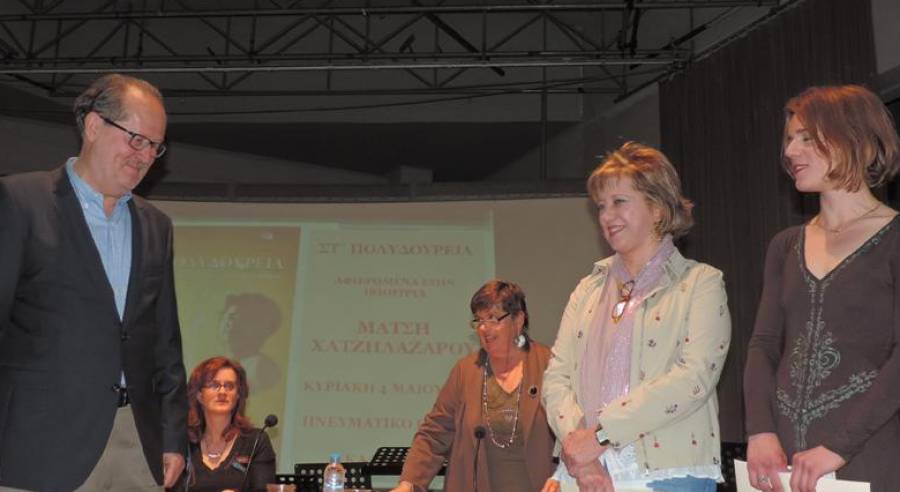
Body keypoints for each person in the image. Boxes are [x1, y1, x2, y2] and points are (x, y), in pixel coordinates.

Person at [0, 74, 187, 490]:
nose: (145, 156)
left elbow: (165, 342)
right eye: (136, 139)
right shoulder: (19, 201)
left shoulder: (156, 226)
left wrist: (173, 437)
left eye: (155, 147)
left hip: (137, 445)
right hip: (38, 445)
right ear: (94, 126)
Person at [543, 142, 732, 491]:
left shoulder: (701, 283)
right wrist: (583, 455)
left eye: (619, 202)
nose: (606, 216)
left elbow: (693, 377)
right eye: (601, 206)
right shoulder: (587, 289)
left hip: (668, 473)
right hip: (586, 473)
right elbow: (556, 378)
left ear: (657, 208)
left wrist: (602, 435)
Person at [744, 85, 900, 492]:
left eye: (807, 138)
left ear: (856, 140)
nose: (790, 151)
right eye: (789, 139)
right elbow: (763, 345)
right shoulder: (785, 246)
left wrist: (837, 447)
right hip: (784, 460)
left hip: (870, 455)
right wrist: (760, 430)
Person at [392, 280, 559, 492]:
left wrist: (564, 476)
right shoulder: (466, 371)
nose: (483, 328)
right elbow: (434, 434)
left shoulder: (550, 365)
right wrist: (408, 483)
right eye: (479, 320)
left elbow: (574, 432)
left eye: (492, 319)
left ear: (518, 320)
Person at [175, 357, 276, 492]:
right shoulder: (182, 443)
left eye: (229, 386)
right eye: (214, 385)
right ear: (199, 395)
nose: (222, 392)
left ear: (238, 395)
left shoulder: (256, 441)